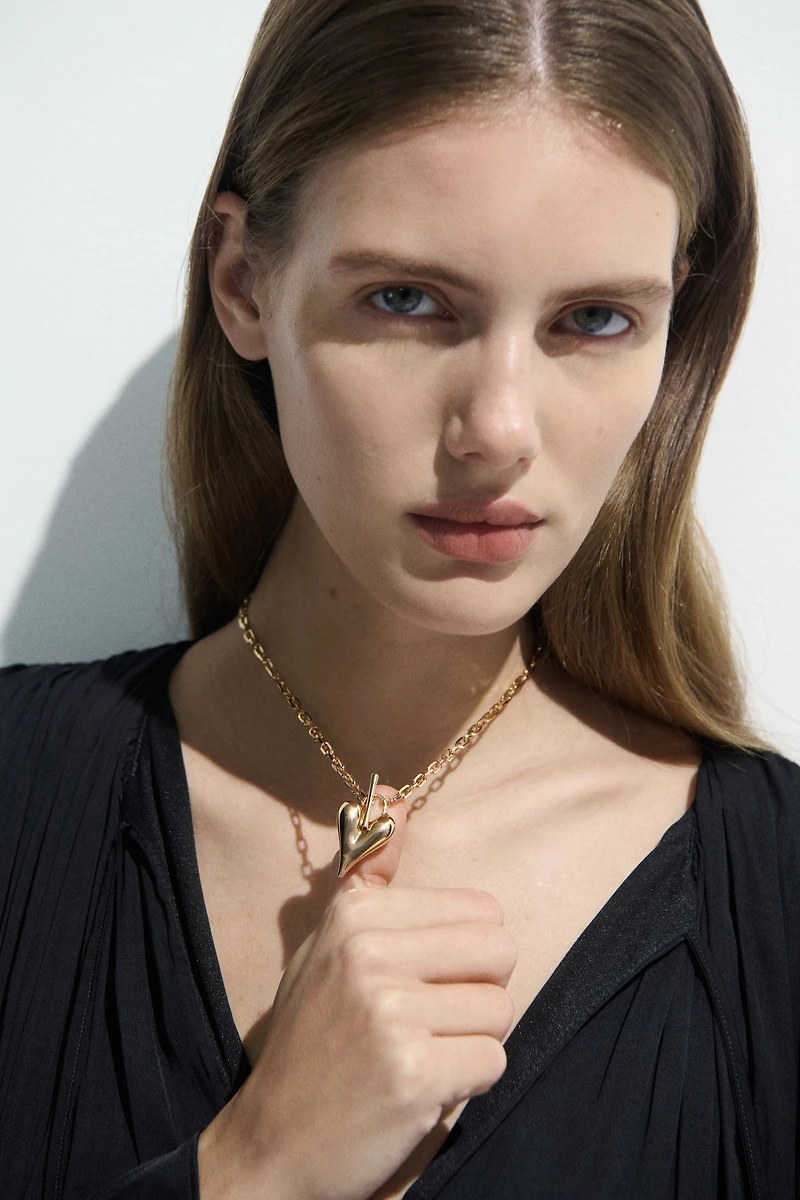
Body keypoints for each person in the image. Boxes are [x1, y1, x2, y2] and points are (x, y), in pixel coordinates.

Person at [1, 0, 798, 1196]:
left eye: (594, 319)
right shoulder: (18, 791)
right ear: (242, 283)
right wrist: (256, 1166)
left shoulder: (775, 897)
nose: (497, 430)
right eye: (407, 301)